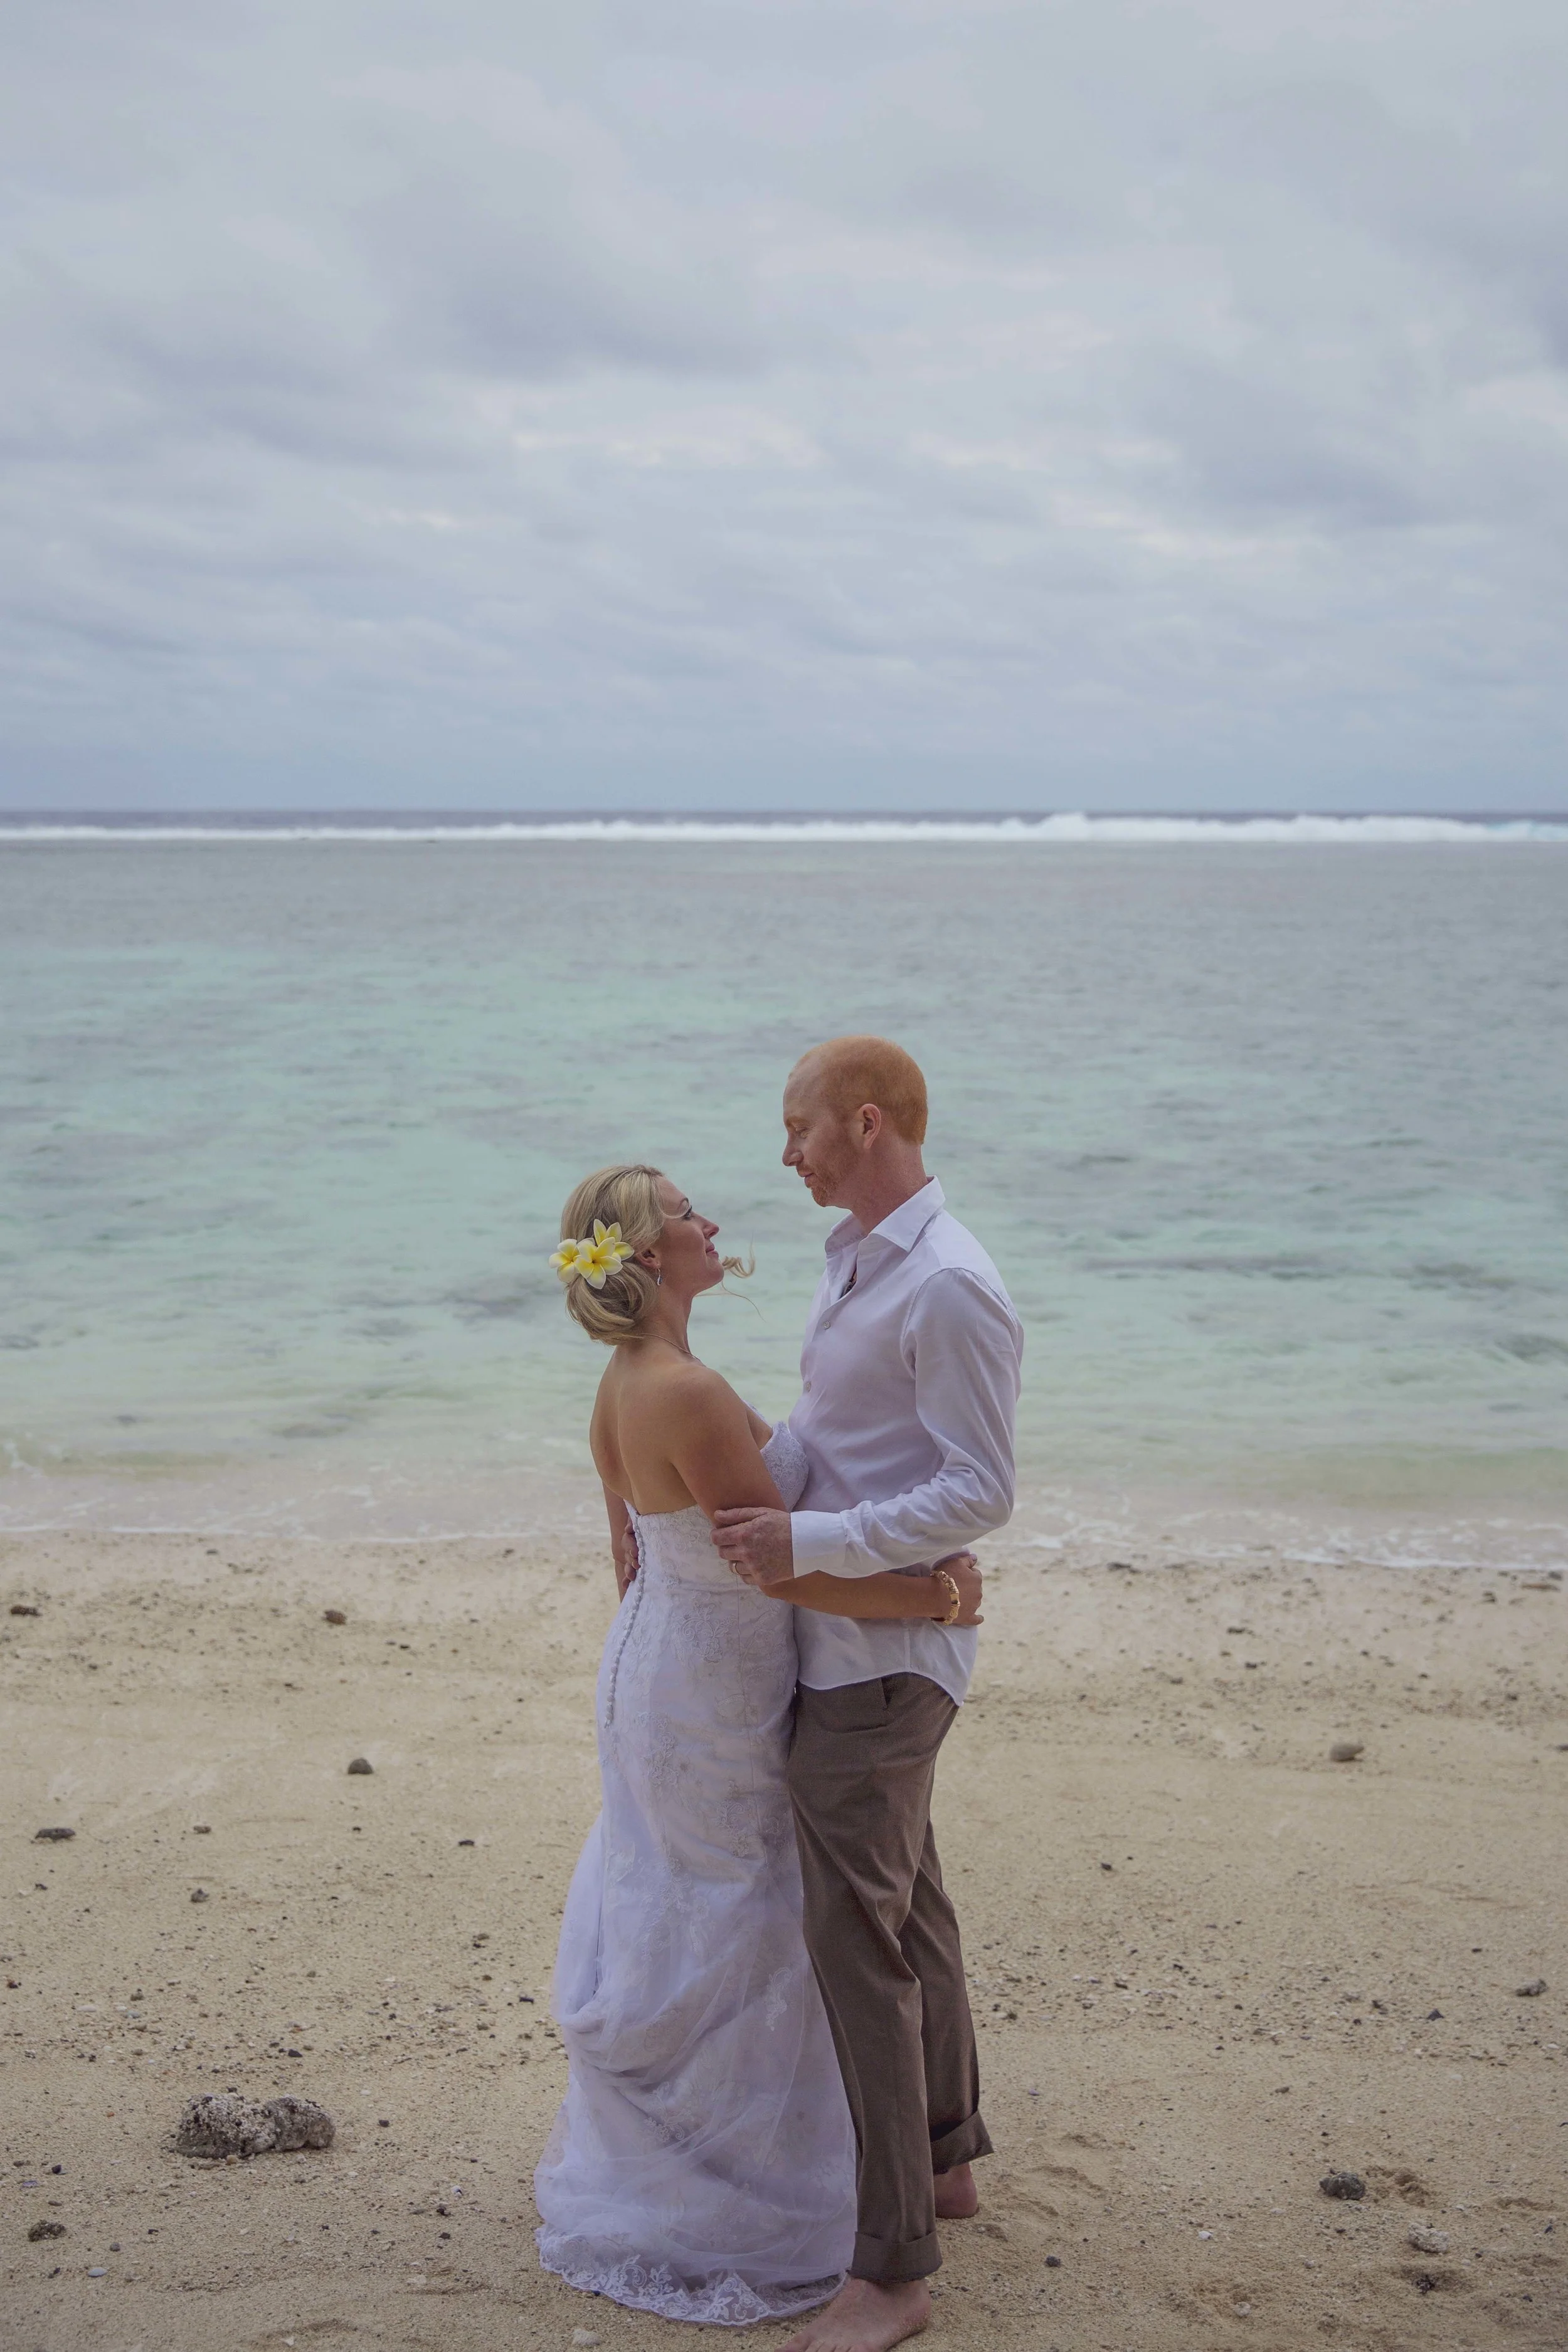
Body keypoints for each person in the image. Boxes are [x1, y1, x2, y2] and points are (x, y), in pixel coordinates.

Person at [533, 1162, 983, 2327]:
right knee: (738, 1910)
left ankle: (786, 2157)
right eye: (688, 1212)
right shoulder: (685, 1390)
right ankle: (738, 2196)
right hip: (712, 1688)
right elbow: (782, 1565)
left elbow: (631, 1551)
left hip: (656, 1665)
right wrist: (934, 1598)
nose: (712, 1221)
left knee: (690, 1895)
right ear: (646, 1253)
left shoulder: (626, 1383)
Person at [713, 1037, 1022, 2352]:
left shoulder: (947, 1284)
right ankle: (944, 2163)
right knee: (914, 1912)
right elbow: (836, 1442)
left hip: (883, 1663)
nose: (785, 1152)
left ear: (867, 1121)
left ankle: (891, 2274)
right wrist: (705, 1428)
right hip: (856, 1646)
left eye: (799, 1128)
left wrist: (813, 1546)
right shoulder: (854, 1260)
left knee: (859, 1948)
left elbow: (981, 1488)